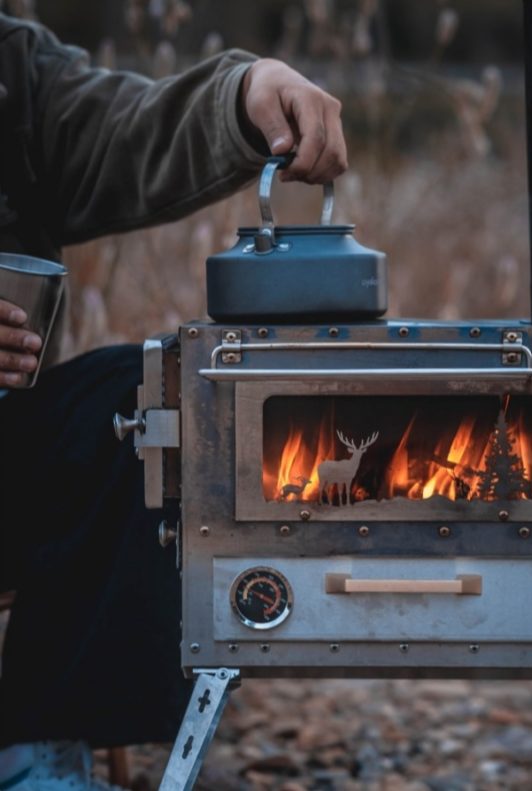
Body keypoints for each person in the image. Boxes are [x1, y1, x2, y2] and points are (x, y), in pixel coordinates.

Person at [0, 11, 347, 791]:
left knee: (148, 396)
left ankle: (37, 746)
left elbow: (126, 130)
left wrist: (244, 92)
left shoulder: (11, 66)